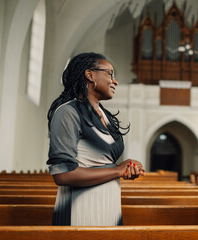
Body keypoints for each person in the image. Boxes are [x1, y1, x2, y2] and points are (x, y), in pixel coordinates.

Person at [46, 52, 145, 226]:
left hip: (109, 204)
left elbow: (102, 162)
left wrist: (127, 167)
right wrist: (117, 171)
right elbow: (62, 174)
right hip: (80, 207)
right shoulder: (68, 112)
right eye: (110, 74)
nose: (115, 81)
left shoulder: (104, 115)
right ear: (90, 75)